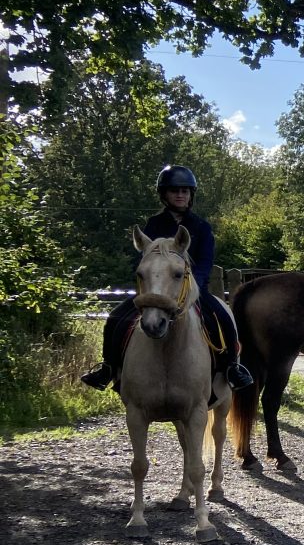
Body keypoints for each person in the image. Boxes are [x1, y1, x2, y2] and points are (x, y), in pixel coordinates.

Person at [82, 165, 254, 392]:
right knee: (116, 317)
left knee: (222, 316)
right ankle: (109, 368)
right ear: (164, 195)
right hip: (156, 289)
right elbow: (144, 259)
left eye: (185, 191)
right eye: (175, 191)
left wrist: (194, 284)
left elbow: (205, 261)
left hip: (191, 287)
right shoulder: (154, 225)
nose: (181, 195)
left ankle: (232, 367)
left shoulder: (201, 227)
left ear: (191, 194)